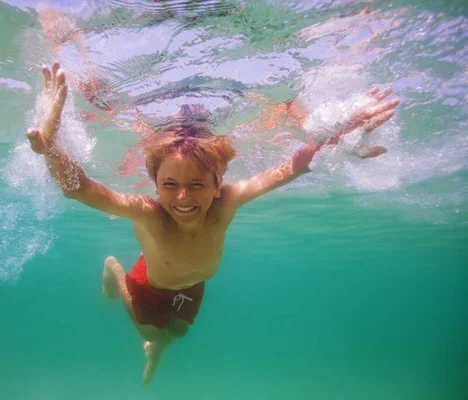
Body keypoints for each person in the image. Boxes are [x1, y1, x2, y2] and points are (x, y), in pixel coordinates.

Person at [27, 61, 399, 385]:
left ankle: (155, 350)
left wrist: (341, 138)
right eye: (169, 186)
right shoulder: (146, 212)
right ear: (155, 185)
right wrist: (52, 148)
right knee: (149, 330)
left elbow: (293, 167)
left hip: (195, 283)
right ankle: (115, 269)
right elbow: (82, 190)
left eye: (197, 185)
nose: (183, 198)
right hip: (149, 283)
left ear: (217, 183)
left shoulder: (228, 201)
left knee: (178, 333)